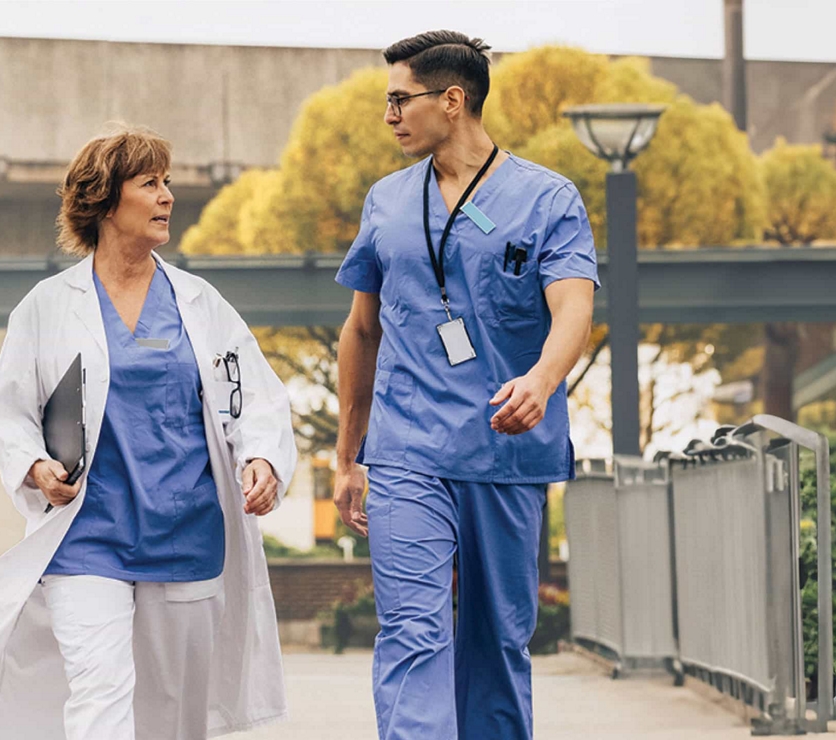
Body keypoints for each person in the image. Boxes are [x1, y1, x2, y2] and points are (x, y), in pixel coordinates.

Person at [0, 124, 296, 740]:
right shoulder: (46, 305)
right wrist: (34, 465)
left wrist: (264, 461)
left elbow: (258, 397)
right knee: (99, 688)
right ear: (104, 199)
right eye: (150, 183)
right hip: (88, 534)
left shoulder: (200, 302)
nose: (168, 196)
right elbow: (12, 409)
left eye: (167, 182)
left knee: (174, 710)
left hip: (187, 532)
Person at [333, 32, 599, 740]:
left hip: (505, 452)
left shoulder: (548, 199)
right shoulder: (387, 202)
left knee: (497, 644)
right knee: (414, 634)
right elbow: (362, 331)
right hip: (406, 452)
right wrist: (345, 454)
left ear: (452, 100)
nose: (389, 114)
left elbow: (574, 305)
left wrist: (542, 381)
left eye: (400, 99)